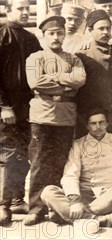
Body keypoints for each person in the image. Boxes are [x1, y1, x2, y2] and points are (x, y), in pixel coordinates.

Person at [24, 15, 87, 225]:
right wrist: (65, 84)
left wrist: (54, 78)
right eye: (51, 33)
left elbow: (80, 79)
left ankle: (56, 208)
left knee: (61, 163)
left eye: (60, 33)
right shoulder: (35, 58)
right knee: (40, 162)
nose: (56, 37)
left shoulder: (73, 58)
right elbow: (35, 82)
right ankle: (35, 209)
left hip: (66, 117)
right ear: (43, 36)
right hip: (42, 115)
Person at [40, 109, 112, 226]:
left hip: (108, 196)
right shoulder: (78, 144)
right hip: (84, 194)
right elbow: (70, 174)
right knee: (48, 192)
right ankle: (96, 219)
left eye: (102, 122)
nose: (98, 126)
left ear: (108, 123)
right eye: (93, 123)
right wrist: (75, 201)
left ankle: (67, 214)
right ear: (87, 126)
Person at [0, 0, 42, 224]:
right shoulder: (1, 35)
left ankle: (17, 201)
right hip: (7, 108)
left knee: (24, 155)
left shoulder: (31, 38)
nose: (25, 12)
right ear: (8, 11)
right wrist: (3, 106)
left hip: (28, 107)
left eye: (28, 8)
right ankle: (3, 205)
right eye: (20, 8)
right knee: (9, 155)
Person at [75, 10, 112, 138]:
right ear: (90, 30)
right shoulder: (82, 55)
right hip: (90, 116)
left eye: (108, 28)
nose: (105, 32)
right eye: (100, 28)